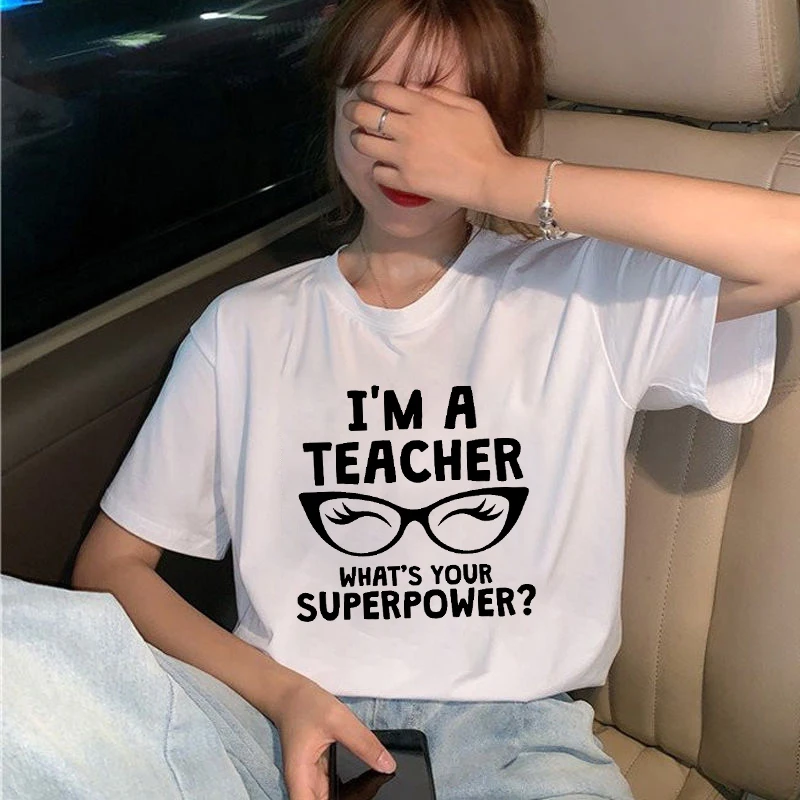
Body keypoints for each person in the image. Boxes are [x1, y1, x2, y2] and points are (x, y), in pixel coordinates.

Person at [3, 0, 796, 798]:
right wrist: (281, 695)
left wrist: (498, 180)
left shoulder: (583, 293)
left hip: (510, 738)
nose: (407, 148)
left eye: (446, 115)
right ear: (335, 108)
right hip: (268, 720)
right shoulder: (245, 327)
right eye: (379, 107)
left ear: (497, 125)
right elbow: (113, 565)